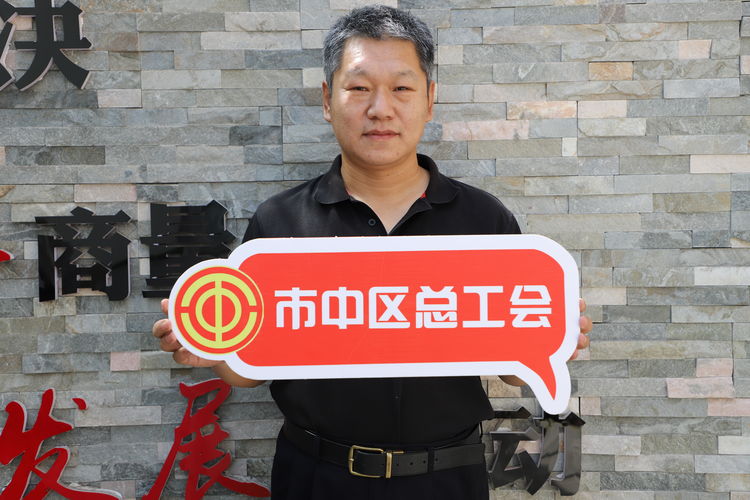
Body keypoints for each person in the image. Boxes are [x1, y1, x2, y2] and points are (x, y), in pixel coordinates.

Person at [153, 5, 592, 499]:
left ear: (430, 100)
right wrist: (210, 349)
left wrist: (551, 336)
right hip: (316, 475)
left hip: (448, 477)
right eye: (359, 88)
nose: (380, 109)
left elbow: (512, 368)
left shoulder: (483, 221)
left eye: (401, 88)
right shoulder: (279, 226)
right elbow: (248, 370)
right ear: (327, 99)